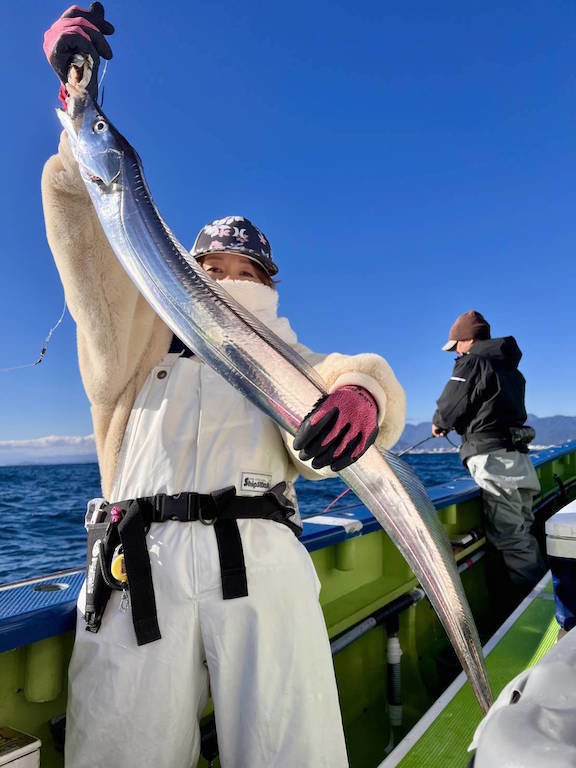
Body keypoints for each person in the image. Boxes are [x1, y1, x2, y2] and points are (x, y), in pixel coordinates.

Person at [41, 5, 407, 768]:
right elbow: (89, 222)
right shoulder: (131, 341)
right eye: (212, 270)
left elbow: (345, 385)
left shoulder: (287, 358)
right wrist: (79, 106)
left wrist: (366, 397)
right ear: (188, 268)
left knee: (291, 752)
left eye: (247, 274)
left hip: (263, 564)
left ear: (270, 284)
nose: (228, 283)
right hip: (135, 565)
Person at [432, 310, 547, 606]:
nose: (454, 352)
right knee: (523, 529)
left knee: (511, 538)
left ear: (467, 340)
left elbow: (451, 403)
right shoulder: (510, 369)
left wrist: (439, 422)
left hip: (494, 462)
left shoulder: (471, 361)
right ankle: (537, 596)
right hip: (518, 460)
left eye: (455, 345)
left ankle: (544, 609)